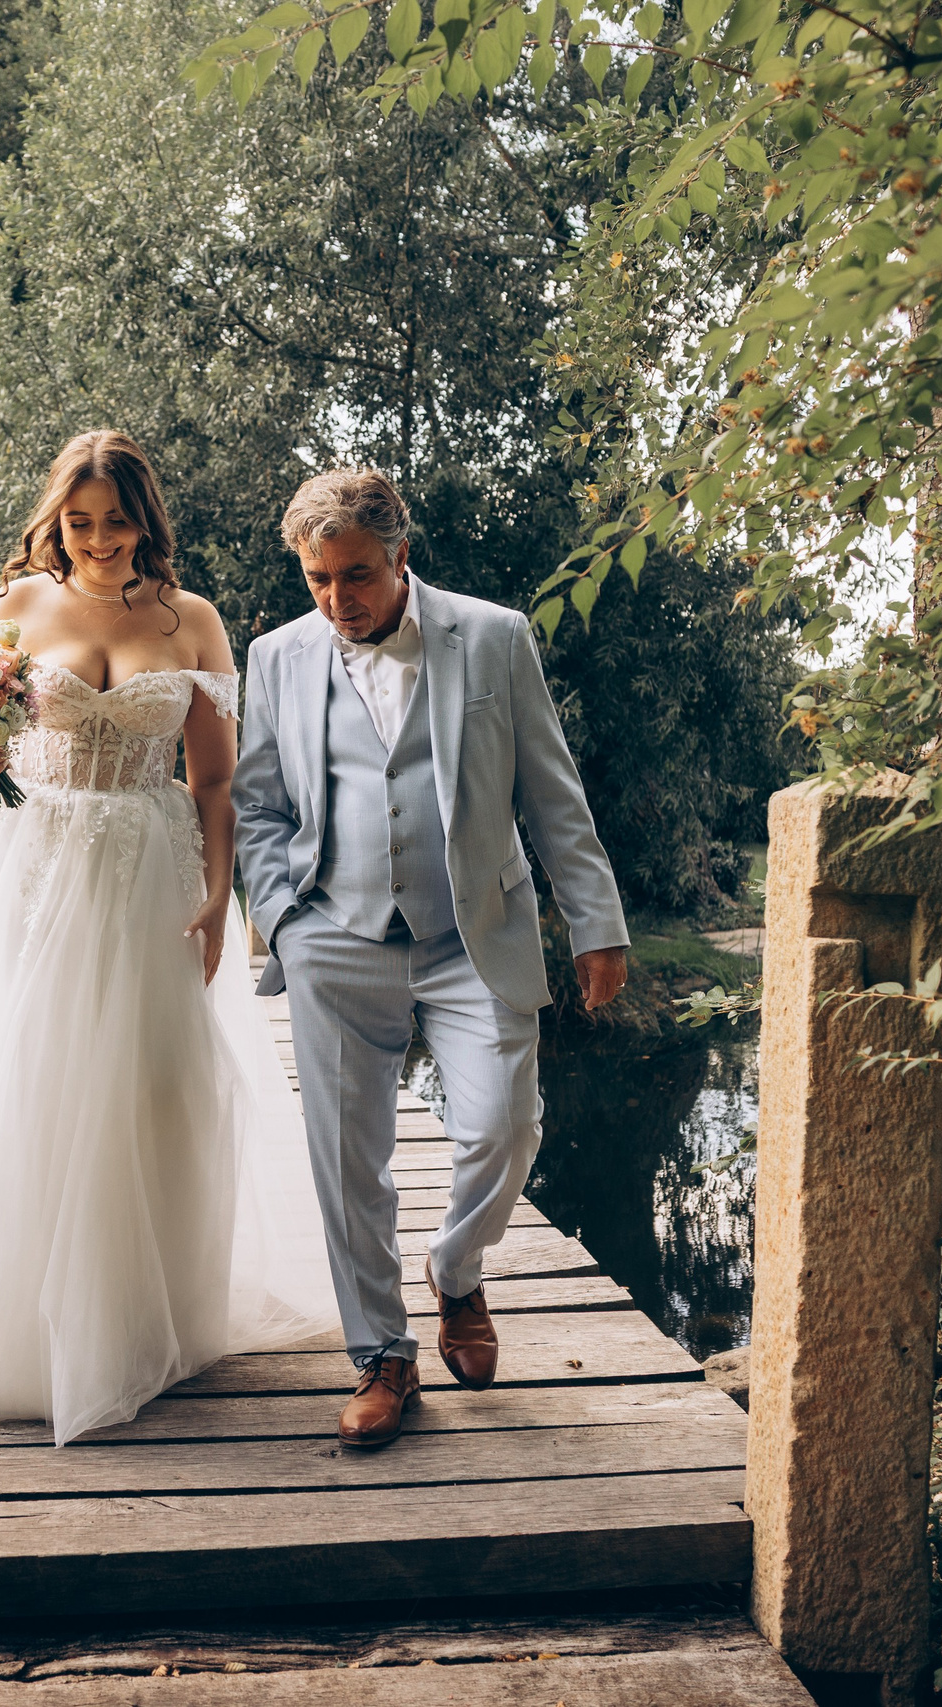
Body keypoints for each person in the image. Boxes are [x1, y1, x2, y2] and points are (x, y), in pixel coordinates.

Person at [0, 431, 335, 1443]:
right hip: (33, 868)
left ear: (147, 519)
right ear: (55, 523)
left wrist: (217, 894)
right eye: (79, 523)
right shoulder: (15, 610)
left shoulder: (190, 621)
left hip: (150, 869)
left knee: (149, 1084)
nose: (99, 542)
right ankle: (13, 1326)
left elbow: (219, 778)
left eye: (116, 521)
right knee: (28, 1079)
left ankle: (141, 1318)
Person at [234, 468, 631, 1450]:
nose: (338, 599)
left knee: (503, 1128)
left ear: (400, 555)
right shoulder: (278, 657)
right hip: (334, 936)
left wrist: (597, 923)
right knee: (344, 1162)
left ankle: (456, 1270)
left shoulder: (492, 639)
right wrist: (285, 922)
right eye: (318, 580)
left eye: (356, 575)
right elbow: (257, 806)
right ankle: (383, 1357)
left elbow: (552, 794)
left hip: (472, 935)